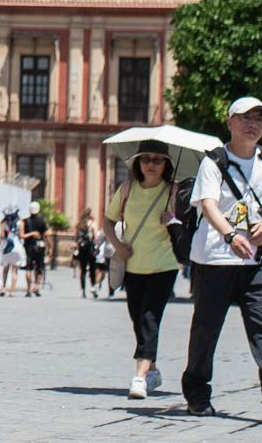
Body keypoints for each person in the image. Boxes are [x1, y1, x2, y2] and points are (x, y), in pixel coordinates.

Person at [182, 97, 262, 423]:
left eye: (259, 119)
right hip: (214, 259)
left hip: (254, 262)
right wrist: (230, 235)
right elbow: (208, 205)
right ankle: (197, 393)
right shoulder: (214, 161)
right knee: (206, 330)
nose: (252, 124)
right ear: (230, 122)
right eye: (245, 118)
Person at [103, 140, 181, 400]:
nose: (150, 164)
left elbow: (189, 222)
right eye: (146, 159)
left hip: (164, 264)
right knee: (138, 319)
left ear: (166, 165)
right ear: (137, 162)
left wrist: (172, 219)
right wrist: (117, 244)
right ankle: (153, 368)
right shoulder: (126, 188)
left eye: (157, 160)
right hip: (133, 264)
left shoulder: (173, 191)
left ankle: (139, 376)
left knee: (149, 318)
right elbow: (108, 220)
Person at [19, 201, 49, 296]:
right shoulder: (42, 221)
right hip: (40, 247)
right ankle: (36, 287)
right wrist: (50, 246)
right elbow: (46, 235)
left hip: (28, 247)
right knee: (39, 268)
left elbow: (21, 235)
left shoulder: (24, 221)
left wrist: (30, 234)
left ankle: (28, 289)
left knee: (28, 268)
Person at [0, 206, 23, 297]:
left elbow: (1, 236)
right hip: (17, 247)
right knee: (15, 270)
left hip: (6, 246)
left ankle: (3, 288)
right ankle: (12, 291)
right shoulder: (20, 222)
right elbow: (21, 236)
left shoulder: (3, 222)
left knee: (5, 269)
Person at [75, 207, 100, 299]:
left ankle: (83, 291)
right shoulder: (93, 224)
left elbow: (76, 238)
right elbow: (96, 237)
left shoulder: (79, 224)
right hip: (90, 248)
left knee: (83, 270)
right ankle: (93, 287)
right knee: (92, 269)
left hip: (82, 249)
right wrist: (97, 248)